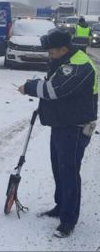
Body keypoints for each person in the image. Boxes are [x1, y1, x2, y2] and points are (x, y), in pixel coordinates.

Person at [18, 29, 97, 238]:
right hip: (62, 123)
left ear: (64, 49)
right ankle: (61, 206)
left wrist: (30, 87)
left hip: (76, 127)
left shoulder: (79, 65)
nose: (49, 56)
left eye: (52, 52)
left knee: (69, 172)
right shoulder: (64, 60)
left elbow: (55, 89)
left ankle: (68, 220)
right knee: (59, 168)